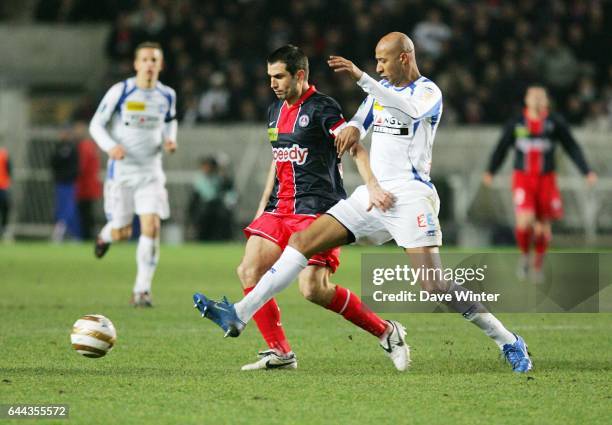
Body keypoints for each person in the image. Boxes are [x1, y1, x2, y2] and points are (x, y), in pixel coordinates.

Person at [194, 33, 533, 373]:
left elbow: (410, 112)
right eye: (374, 61)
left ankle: (508, 341)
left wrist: (361, 77)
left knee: (435, 284)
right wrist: (353, 128)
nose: (378, 67)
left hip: (411, 195)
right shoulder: (378, 93)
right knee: (301, 243)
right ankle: (240, 313)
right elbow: (361, 120)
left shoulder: (427, 92)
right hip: (371, 197)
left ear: (404, 58)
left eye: (383, 60)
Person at [194, 45, 406, 371]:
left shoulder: (322, 108)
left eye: (279, 77)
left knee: (313, 289)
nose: (273, 84)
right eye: (270, 77)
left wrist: (373, 186)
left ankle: (386, 331)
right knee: (248, 269)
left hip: (317, 210)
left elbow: (354, 146)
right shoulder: (274, 111)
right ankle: (279, 352)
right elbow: (278, 158)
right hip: (280, 208)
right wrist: (263, 204)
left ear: (300, 75)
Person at [89, 41, 177, 307]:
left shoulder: (168, 95)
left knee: (151, 225)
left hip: (151, 172)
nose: (150, 64)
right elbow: (96, 124)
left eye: (155, 60)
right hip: (122, 173)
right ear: (136, 64)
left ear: (160, 65)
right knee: (122, 232)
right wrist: (110, 146)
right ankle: (106, 235)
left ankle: (142, 290)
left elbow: (170, 121)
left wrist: (170, 139)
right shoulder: (122, 91)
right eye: (146, 60)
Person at [483, 86, 597, 282]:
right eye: (533, 96)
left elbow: (571, 147)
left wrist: (586, 171)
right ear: (526, 100)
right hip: (523, 178)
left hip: (546, 180)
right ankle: (525, 256)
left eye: (540, 97)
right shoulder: (517, 124)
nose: (536, 100)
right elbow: (501, 148)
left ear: (546, 101)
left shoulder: (554, 123)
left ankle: (538, 264)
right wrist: (491, 170)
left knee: (543, 227)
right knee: (525, 221)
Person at [74, 121, 103, 240]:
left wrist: (73, 174)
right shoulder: (92, 146)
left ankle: (86, 236)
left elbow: (82, 166)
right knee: (89, 212)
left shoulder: (84, 146)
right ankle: (89, 235)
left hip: (85, 185)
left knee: (84, 212)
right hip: (91, 184)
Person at [50, 131, 80, 241]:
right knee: (63, 207)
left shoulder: (72, 148)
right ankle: (63, 231)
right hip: (61, 181)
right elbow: (53, 162)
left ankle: (67, 231)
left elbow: (75, 165)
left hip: (69, 182)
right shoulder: (59, 147)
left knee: (68, 208)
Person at [0, 146, 11, 238]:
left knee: (5, 208)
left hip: (2, 185)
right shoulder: (3, 154)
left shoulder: (3, 154)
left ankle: (4, 229)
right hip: (3, 186)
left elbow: (8, 169)